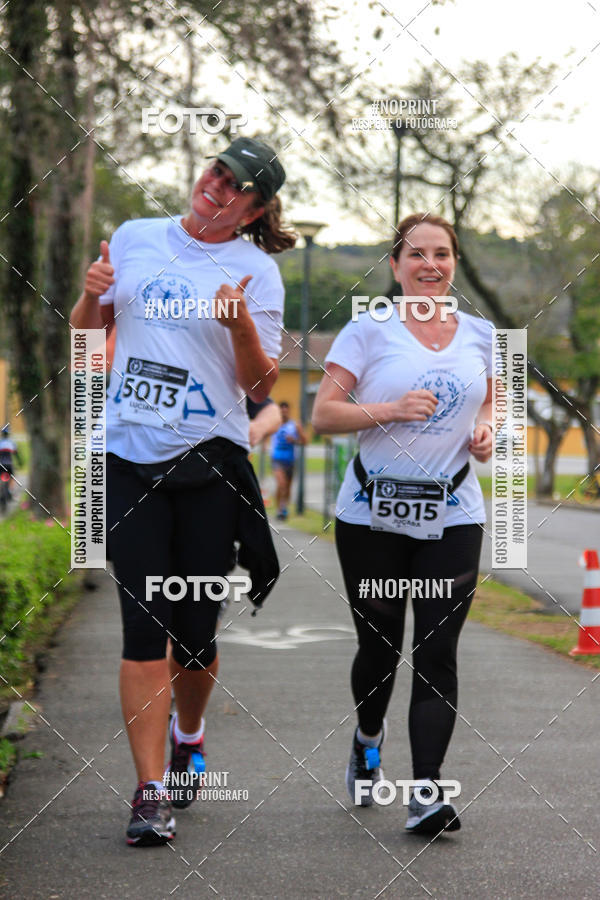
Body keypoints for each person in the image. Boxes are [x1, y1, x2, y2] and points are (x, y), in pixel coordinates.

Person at [70, 137, 295, 846]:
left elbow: (262, 389)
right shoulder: (136, 237)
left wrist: (240, 331)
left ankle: (189, 735)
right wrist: (88, 295)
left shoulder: (256, 273)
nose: (217, 188)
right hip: (128, 459)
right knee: (144, 630)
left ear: (255, 210)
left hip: (210, 466)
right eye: (215, 172)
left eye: (236, 188)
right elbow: (84, 342)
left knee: (195, 636)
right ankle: (148, 792)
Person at [312, 213, 493, 836]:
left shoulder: (482, 334)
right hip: (371, 515)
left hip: (454, 513)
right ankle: (367, 737)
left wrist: (489, 430)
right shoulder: (367, 329)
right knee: (380, 647)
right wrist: (389, 409)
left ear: (454, 263)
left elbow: (495, 401)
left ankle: (426, 792)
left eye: (441, 253)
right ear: (395, 266)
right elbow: (324, 415)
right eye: (416, 254)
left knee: (437, 651)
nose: (430, 265)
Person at [270, 401, 306, 520]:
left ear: (289, 411)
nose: (284, 413)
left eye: (286, 410)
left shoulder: (295, 425)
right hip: (276, 459)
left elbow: (304, 441)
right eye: (282, 410)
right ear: (279, 411)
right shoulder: (274, 423)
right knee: (282, 484)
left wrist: (294, 440)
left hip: (290, 460)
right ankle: (279, 509)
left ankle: (284, 507)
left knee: (288, 488)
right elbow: (265, 434)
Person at [0, 425, 22, 500]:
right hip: (9, 464)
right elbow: (16, 455)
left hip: (1, 465)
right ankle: (10, 491)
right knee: (12, 477)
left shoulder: (0, 442)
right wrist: (20, 462)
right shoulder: (12, 443)